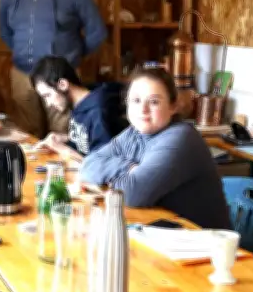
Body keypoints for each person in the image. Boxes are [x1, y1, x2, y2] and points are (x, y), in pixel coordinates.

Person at [79, 67, 231, 229]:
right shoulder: (133, 132)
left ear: (173, 106)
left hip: (204, 242)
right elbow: (88, 166)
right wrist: (127, 167)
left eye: (154, 102)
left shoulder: (181, 137)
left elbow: (132, 194)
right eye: (136, 100)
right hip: (162, 232)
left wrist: (118, 177)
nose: (143, 110)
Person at [0, 0, 107, 139]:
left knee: (62, 135)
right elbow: (4, 30)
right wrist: (22, 52)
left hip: (60, 79)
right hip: (23, 77)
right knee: (27, 136)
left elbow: (97, 31)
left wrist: (72, 58)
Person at [31, 55, 128, 161]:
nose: (48, 104)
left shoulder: (98, 111)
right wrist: (65, 139)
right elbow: (88, 144)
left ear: (63, 84)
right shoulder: (79, 103)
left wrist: (62, 149)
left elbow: (103, 166)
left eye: (47, 95)